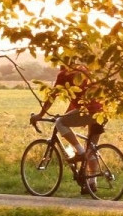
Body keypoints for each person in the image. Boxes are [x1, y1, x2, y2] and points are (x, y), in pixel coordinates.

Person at [30, 63, 103, 193]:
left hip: (88, 110)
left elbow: (52, 97)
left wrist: (40, 115)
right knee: (91, 148)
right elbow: (75, 102)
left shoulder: (64, 75)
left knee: (60, 123)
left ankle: (79, 151)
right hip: (102, 112)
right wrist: (67, 115)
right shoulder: (83, 70)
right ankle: (92, 183)